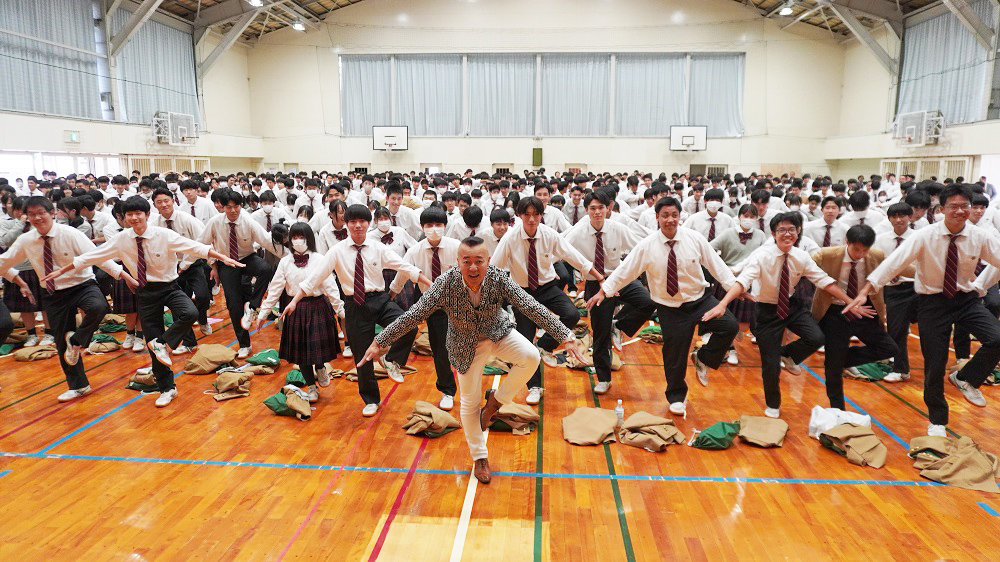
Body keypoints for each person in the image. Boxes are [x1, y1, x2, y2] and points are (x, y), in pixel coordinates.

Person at [359, 236, 585, 484]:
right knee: (468, 402)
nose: (473, 267)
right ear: (458, 262)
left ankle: (496, 403)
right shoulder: (445, 283)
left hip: (498, 332)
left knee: (531, 357)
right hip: (465, 343)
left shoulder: (498, 278)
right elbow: (414, 314)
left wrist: (566, 335)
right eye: (467, 261)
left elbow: (530, 305)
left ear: (488, 261)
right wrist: (380, 341)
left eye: (479, 261)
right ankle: (479, 457)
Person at [44, 196, 243, 407]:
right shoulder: (122, 239)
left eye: (139, 213)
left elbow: (194, 247)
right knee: (152, 338)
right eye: (130, 214)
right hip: (145, 293)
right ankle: (167, 388)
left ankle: (163, 343)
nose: (134, 218)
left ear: (148, 215)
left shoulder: (163, 234)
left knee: (190, 313)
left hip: (169, 287)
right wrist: (63, 270)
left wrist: (222, 258)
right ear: (125, 218)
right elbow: (93, 256)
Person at [846, 184, 1000, 437]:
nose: (960, 211)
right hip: (932, 304)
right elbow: (893, 264)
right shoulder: (924, 235)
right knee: (935, 363)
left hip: (965, 299)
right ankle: (937, 420)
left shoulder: (979, 236)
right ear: (942, 209)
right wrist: (865, 291)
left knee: (997, 338)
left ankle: (966, 378)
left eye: (965, 206)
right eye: (954, 207)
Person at [705, 212, 874, 418]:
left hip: (792, 307)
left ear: (798, 231)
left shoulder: (801, 256)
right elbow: (744, 281)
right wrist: (723, 304)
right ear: (774, 234)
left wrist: (851, 302)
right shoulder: (762, 255)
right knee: (770, 363)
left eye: (791, 229)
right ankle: (773, 404)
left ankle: (788, 354)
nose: (787, 234)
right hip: (767, 311)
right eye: (782, 230)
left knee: (816, 337)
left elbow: (824, 280)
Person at [591, 196, 739, 415]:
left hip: (699, 299)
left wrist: (734, 287)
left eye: (674, 215)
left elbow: (718, 268)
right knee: (674, 354)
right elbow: (626, 270)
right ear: (657, 218)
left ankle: (703, 359)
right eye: (665, 215)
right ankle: (676, 396)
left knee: (730, 326)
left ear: (680, 216)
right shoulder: (647, 246)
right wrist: (605, 291)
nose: (670, 220)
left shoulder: (694, 239)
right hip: (669, 307)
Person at [288, 204, 431, 417]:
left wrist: (431, 284)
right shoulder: (336, 251)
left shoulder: (378, 247)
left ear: (368, 223)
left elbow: (405, 267)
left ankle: (392, 360)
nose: (357, 225)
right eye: (353, 221)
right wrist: (294, 301)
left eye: (362, 221)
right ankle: (371, 399)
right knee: (362, 356)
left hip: (380, 299)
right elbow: (314, 278)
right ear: (346, 224)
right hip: (354, 304)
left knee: (408, 323)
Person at [0, 196, 123, 403]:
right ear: (27, 218)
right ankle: (78, 386)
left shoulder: (71, 234)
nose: (37, 218)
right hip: (53, 292)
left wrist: (122, 275)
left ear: (53, 213)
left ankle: (77, 341)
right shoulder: (26, 239)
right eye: (32, 214)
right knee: (60, 340)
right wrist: (19, 281)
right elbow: (4, 262)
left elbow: (96, 256)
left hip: (82, 284)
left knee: (99, 307)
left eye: (41, 213)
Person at [491, 196, 602, 405]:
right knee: (525, 342)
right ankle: (534, 386)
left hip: (548, 287)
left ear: (542, 215)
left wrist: (600, 278)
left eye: (536, 214)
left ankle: (545, 345)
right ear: (520, 216)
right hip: (522, 292)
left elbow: (574, 256)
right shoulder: (510, 238)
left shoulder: (549, 235)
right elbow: (494, 269)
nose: (532, 219)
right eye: (527, 215)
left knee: (571, 314)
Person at [564, 190, 653, 394]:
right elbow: (560, 249)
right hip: (595, 283)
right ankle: (603, 378)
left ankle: (619, 324)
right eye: (593, 208)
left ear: (608, 208)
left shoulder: (617, 228)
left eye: (601, 208)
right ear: (586, 211)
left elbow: (640, 246)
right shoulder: (578, 233)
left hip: (618, 277)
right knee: (600, 333)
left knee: (648, 302)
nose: (597, 212)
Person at [809, 225, 898, 409]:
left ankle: (839, 360)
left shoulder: (876, 255)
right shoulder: (827, 254)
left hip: (864, 310)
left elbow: (897, 267)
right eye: (856, 249)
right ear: (846, 242)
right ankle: (837, 409)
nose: (860, 254)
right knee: (833, 370)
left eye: (865, 250)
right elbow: (803, 265)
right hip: (835, 311)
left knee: (889, 348)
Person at [255, 222, 343, 402]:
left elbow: (330, 286)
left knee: (317, 348)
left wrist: (341, 311)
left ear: (309, 239)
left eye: (301, 237)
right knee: (301, 353)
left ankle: (320, 368)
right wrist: (263, 313)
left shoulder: (320, 259)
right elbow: (275, 289)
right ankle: (311, 386)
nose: (298, 241)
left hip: (318, 305)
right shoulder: (285, 262)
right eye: (294, 237)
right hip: (295, 308)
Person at [386, 207, 460, 410]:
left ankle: (453, 389)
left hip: (454, 302)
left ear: (445, 226)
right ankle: (393, 360)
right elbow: (403, 272)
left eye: (438, 225)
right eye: (429, 225)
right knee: (411, 326)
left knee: (451, 348)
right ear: (422, 227)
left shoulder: (457, 247)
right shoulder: (415, 250)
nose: (434, 229)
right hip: (429, 300)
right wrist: (392, 293)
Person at [194, 189, 282, 359]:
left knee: (265, 269)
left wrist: (292, 257)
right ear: (222, 207)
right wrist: (210, 264)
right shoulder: (215, 222)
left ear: (241, 206)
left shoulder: (248, 221)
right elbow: (200, 245)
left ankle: (253, 305)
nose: (233, 210)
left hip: (246, 257)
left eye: (236, 206)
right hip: (226, 262)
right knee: (234, 306)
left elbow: (266, 242)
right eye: (229, 207)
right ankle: (244, 345)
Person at [710, 203, 767, 365]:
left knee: (743, 323)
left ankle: (733, 340)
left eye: (752, 217)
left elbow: (765, 254)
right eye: (745, 216)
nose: (748, 219)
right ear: (739, 217)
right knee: (726, 319)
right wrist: (722, 267)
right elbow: (709, 249)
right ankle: (730, 349)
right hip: (728, 280)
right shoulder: (728, 233)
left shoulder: (761, 235)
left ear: (756, 219)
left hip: (749, 281)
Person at [873, 203, 918, 382]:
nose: (898, 220)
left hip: (918, 288)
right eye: (894, 216)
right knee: (896, 330)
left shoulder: (918, 237)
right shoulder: (881, 239)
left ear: (910, 217)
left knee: (933, 331)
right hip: (894, 290)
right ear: (889, 218)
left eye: (903, 216)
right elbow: (875, 262)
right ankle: (901, 369)